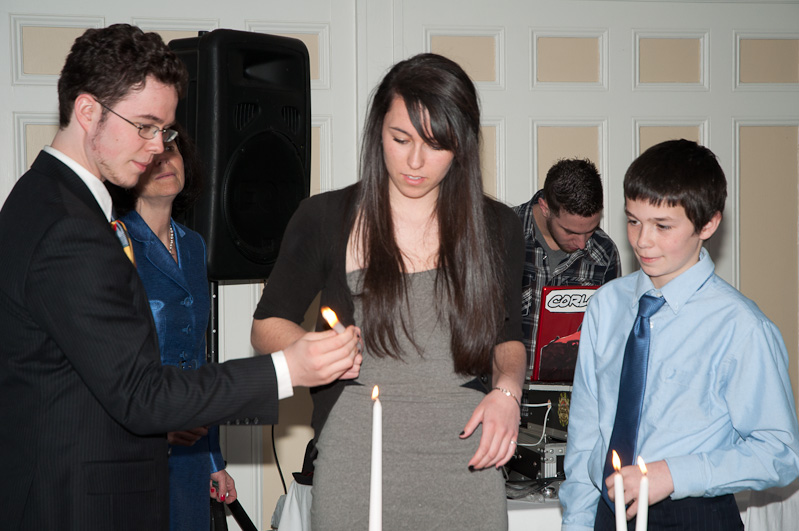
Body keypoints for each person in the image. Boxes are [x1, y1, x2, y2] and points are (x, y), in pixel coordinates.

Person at [0, 24, 360, 531]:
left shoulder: (44, 197)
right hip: (79, 505)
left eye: (165, 130)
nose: (157, 147)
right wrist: (287, 368)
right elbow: (141, 393)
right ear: (87, 111)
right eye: (145, 126)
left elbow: (85, 382)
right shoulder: (67, 226)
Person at [250, 53, 526, 529]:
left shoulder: (498, 226)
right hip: (356, 451)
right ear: (378, 131)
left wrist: (508, 393)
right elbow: (265, 327)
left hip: (468, 453)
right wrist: (311, 351)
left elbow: (508, 338)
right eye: (401, 139)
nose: (415, 162)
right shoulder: (324, 218)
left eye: (436, 145)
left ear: (462, 146)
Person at [559, 139, 799, 531]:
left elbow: (780, 453)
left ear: (708, 224)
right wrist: (578, 522)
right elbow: (586, 433)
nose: (642, 240)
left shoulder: (741, 327)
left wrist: (673, 474)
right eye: (633, 221)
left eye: (663, 226)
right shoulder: (606, 305)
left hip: (694, 514)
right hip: (607, 510)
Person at [106, 123, 236, 530]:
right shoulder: (113, 242)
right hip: (133, 446)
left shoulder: (194, 244)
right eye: (153, 157)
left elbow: (198, 359)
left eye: (172, 152)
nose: (165, 161)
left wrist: (213, 459)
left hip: (190, 449)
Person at [512, 158, 621, 370]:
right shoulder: (500, 234)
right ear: (545, 208)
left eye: (590, 230)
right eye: (570, 231)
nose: (582, 243)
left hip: (574, 389)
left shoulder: (604, 253)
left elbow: (609, 337)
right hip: (505, 387)